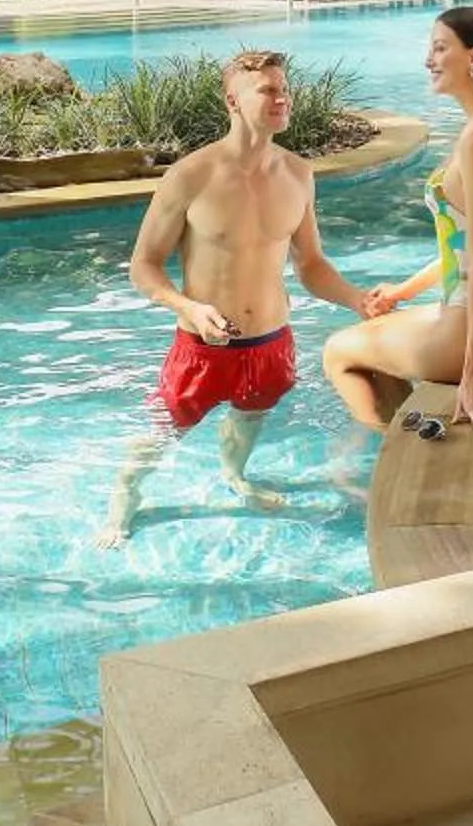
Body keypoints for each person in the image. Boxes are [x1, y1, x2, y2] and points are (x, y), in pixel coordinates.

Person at [97, 47, 394, 546]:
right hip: (203, 348)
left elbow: (312, 265)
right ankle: (124, 496)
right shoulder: (192, 175)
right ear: (233, 102)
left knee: (252, 414)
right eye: (268, 91)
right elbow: (142, 266)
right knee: (161, 431)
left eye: (284, 89)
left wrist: (356, 300)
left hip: (271, 342)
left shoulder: (298, 173)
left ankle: (234, 474)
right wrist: (188, 307)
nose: (282, 98)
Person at [322, 5, 473, 438]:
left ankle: (378, 453)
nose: (428, 60)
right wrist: (401, 291)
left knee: (336, 351)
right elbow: (465, 248)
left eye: (440, 48)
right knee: (372, 332)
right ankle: (409, 430)